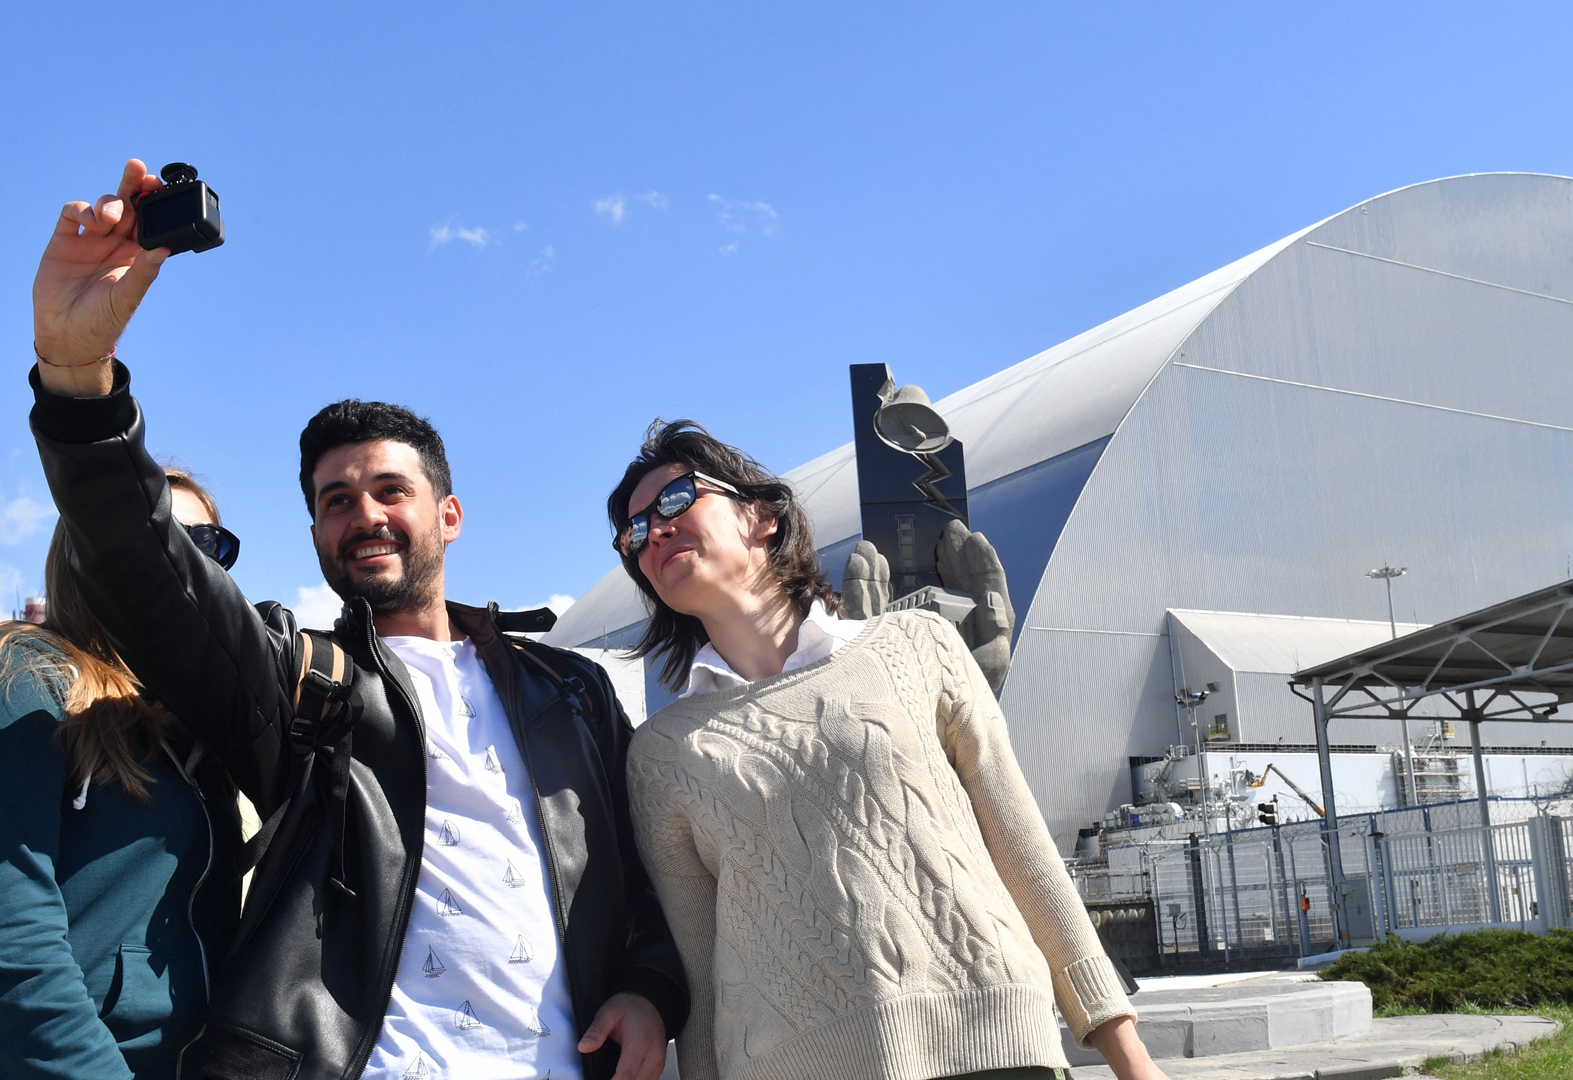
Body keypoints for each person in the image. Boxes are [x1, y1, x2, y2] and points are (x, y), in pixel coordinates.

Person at [28, 159, 689, 1080]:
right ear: (312, 532)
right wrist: (76, 379)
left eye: (389, 490)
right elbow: (147, 566)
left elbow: (659, 869)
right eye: (336, 501)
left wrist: (650, 985)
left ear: (448, 515)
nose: (365, 515)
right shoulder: (300, 681)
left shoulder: (571, 690)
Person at [610, 420, 1172, 1080]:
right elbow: (701, 974)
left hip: (995, 1045)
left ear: (760, 515)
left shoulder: (916, 645)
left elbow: (1022, 849)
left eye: (675, 501)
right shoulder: (663, 755)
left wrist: (1127, 1054)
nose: (656, 531)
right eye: (635, 532)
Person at [0, 472, 244, 1079]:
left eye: (202, 544)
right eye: (149, 537)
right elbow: (13, 940)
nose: (177, 563)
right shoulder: (28, 679)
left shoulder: (204, 722)